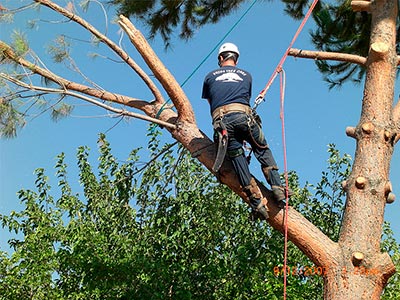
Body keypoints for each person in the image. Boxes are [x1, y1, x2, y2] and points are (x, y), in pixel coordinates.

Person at [202, 42, 291, 219]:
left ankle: (256, 202)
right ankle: (277, 188)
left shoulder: (210, 76)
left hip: (223, 124)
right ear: (236, 58)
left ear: (221, 58)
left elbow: (211, 102)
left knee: (238, 159)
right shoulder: (246, 75)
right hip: (245, 118)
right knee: (261, 149)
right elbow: (244, 98)